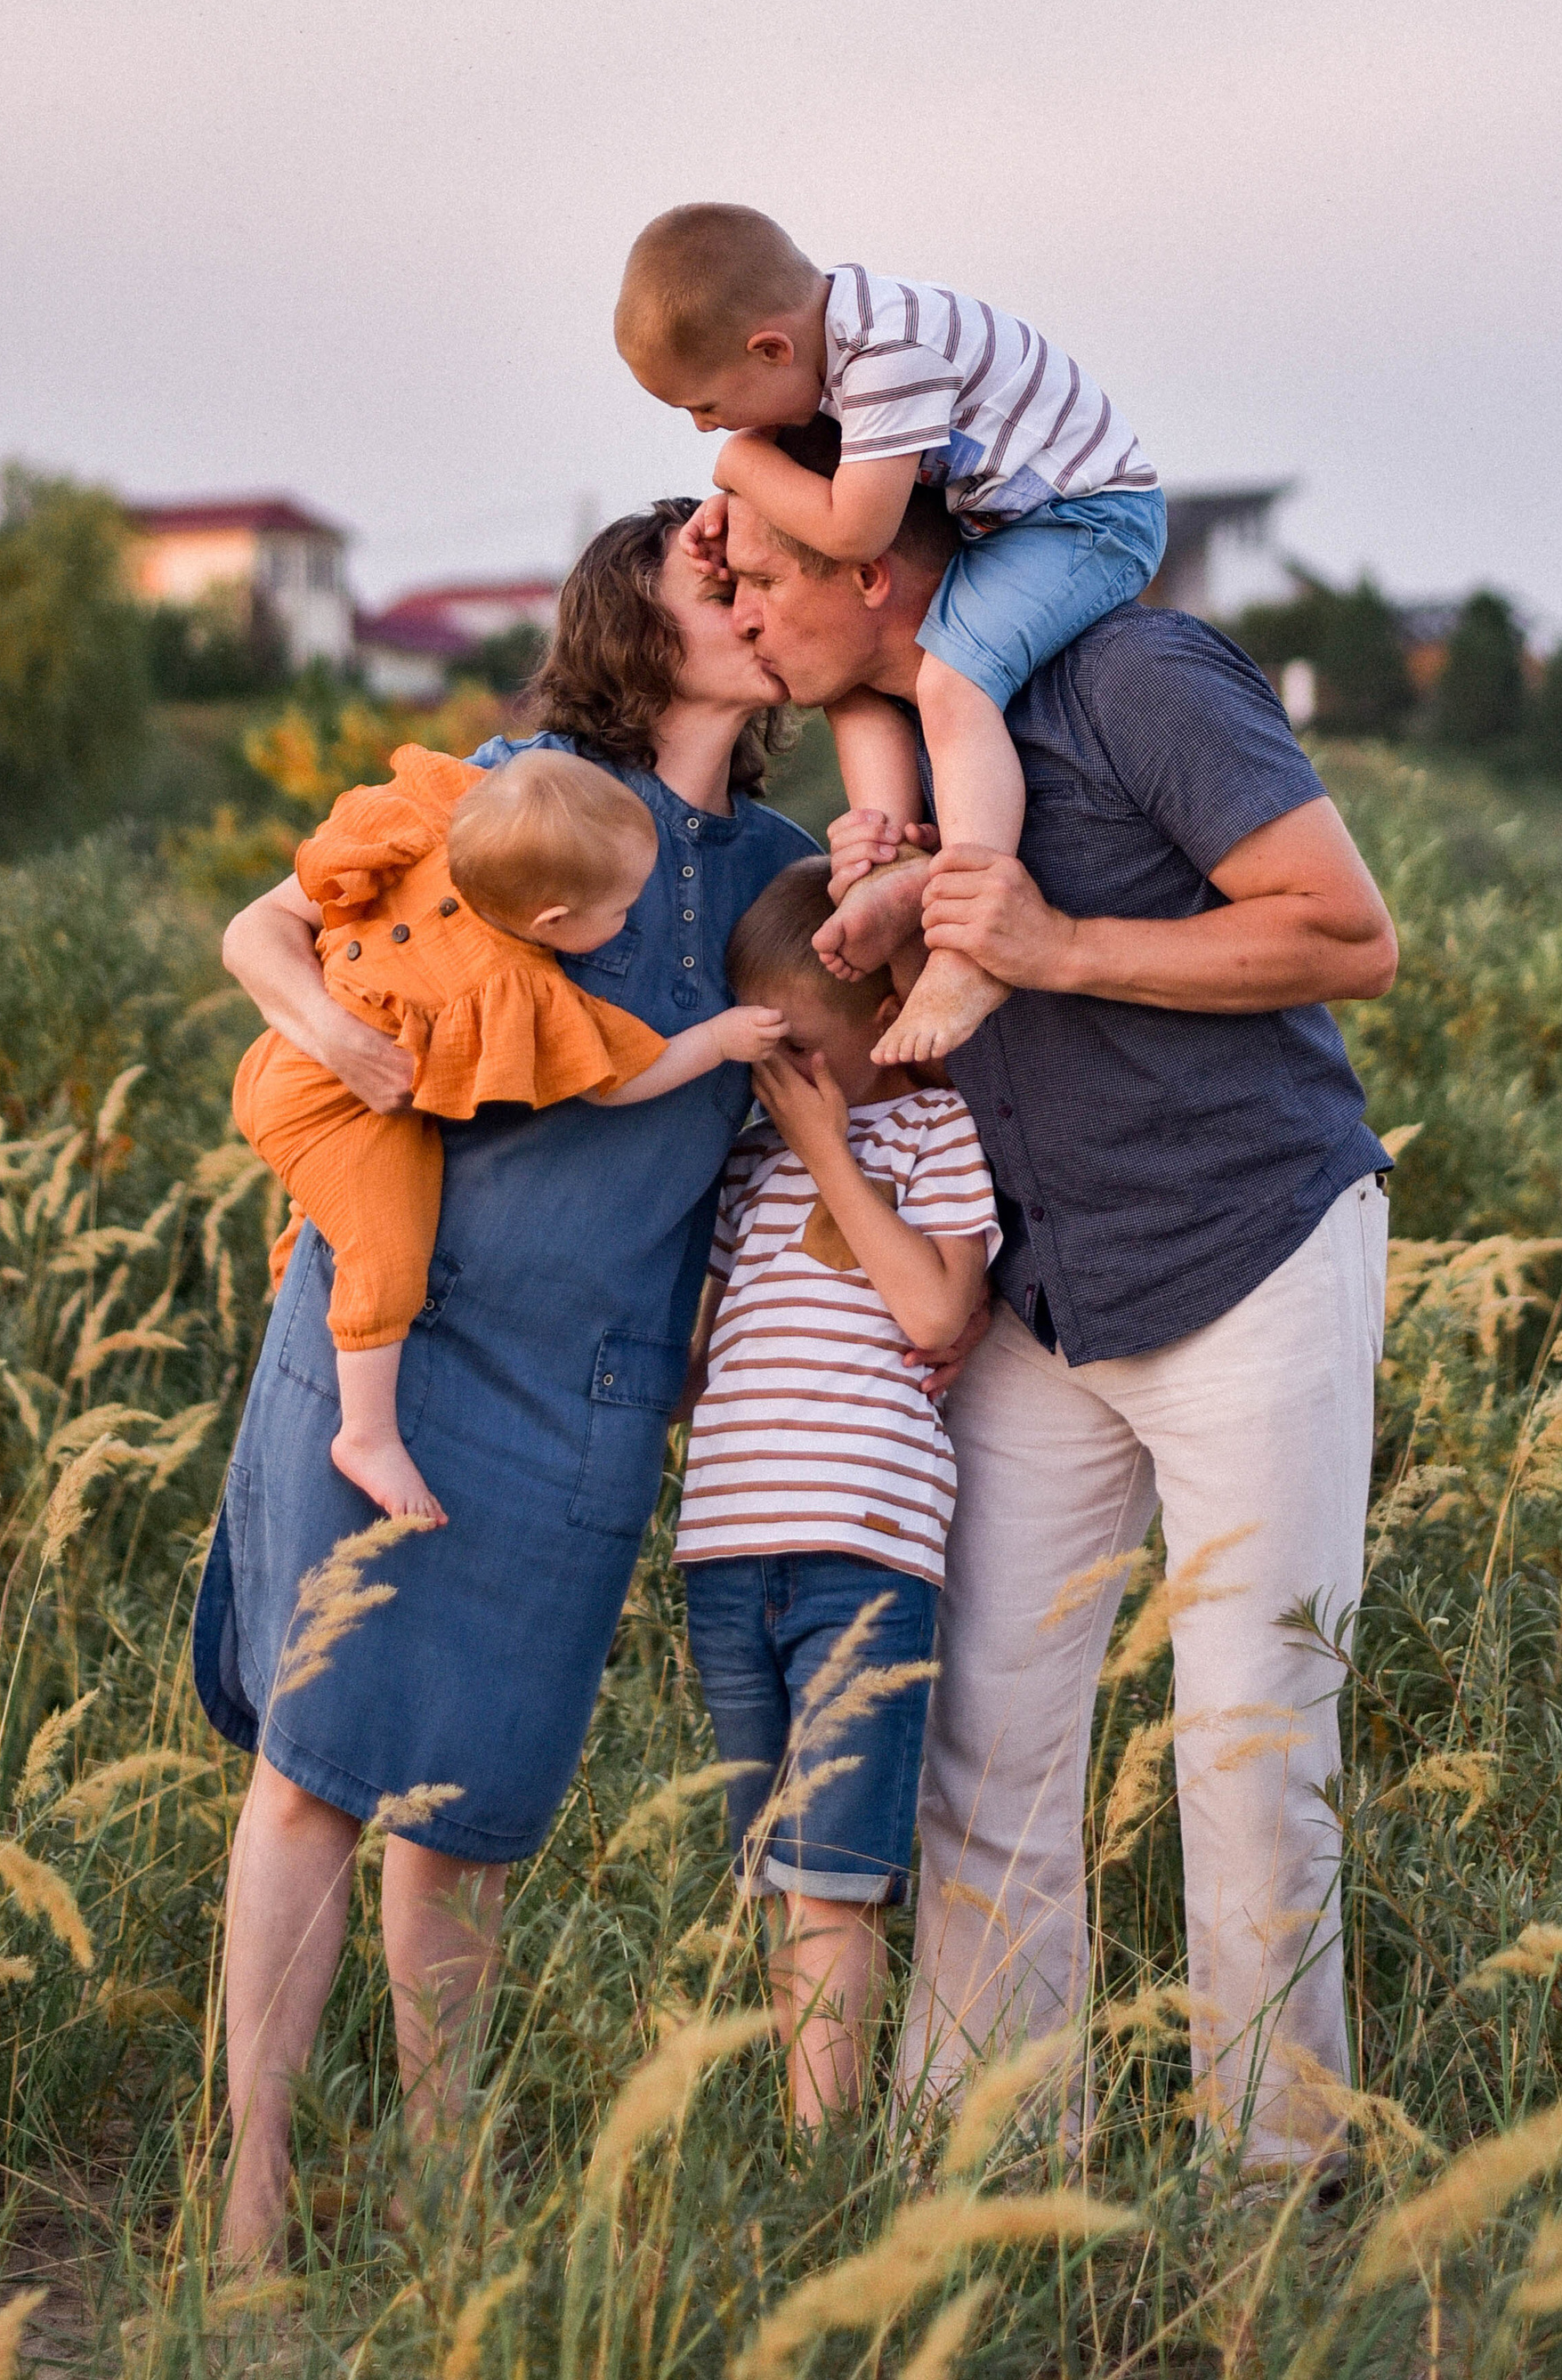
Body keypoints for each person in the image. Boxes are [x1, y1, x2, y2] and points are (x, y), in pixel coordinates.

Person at [714, 465, 1400, 2179]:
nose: (740, 623)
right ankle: (997, 2176)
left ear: (873, 572)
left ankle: (1278, 2193)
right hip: (1039, 1288)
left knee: (1250, 1753)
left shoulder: (1134, 678)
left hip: (1247, 1251)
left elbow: (1348, 933)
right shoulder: (894, 750)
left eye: (762, 588)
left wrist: (1060, 940)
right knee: (984, 1742)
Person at [192, 504, 813, 2268]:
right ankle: (243, 2205)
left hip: (591, 1380)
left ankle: (437, 2178)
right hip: (397, 1331)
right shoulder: (518, 782)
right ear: (640, 612)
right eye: (727, 580)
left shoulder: (778, 858)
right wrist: (333, 1040)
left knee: (460, 1805)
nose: (764, 599)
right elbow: (267, 931)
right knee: (317, 1769)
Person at [614, 204, 1166, 1066]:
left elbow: (855, 531)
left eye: (707, 404)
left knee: (950, 683)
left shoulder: (887, 358)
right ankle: (884, 855)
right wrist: (740, 508)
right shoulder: (829, 338)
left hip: (1087, 519)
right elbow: (815, 474)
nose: (705, 430)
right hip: (1004, 522)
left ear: (771, 348)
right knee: (851, 674)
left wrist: (742, 467)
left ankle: (970, 941)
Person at [234, 741, 784, 1521]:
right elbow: (618, 1079)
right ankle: (365, 1433)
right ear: (551, 920)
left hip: (287, 1056)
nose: (630, 919)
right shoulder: (513, 983)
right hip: (334, 1103)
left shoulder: (439, 829)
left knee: (344, 1210)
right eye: (621, 912)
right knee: (390, 1246)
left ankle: (306, 1280)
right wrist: (720, 1041)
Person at [674, 858, 1000, 2122]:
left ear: (878, 1019)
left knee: (834, 1874)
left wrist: (824, 1145)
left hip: (863, 1551)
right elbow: (701, 1355)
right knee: (772, 1862)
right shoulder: (750, 1163)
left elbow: (932, 1306)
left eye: (793, 1045)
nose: (773, 1074)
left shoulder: (934, 1131)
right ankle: (796, 2129)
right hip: (728, 1550)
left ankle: (823, 2156)